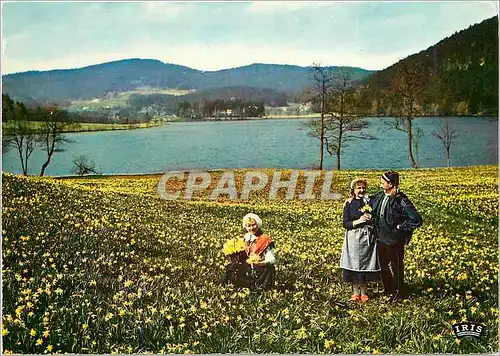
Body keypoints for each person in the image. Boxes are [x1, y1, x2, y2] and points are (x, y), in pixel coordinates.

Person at [371, 171, 423, 301]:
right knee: (382, 265)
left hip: (394, 239)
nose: (381, 183)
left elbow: (417, 219)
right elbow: (367, 202)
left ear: (391, 184)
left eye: (383, 181)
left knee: (396, 266)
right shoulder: (380, 195)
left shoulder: (401, 200)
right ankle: (389, 289)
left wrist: (400, 227)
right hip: (381, 237)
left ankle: (399, 293)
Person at [340, 178, 380, 302]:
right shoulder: (349, 203)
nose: (361, 190)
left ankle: (363, 293)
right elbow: (345, 223)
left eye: (363, 188)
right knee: (353, 264)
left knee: (365, 264)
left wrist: (370, 219)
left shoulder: (368, 201)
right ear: (353, 190)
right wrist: (358, 221)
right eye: (359, 188)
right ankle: (355, 293)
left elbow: (376, 217)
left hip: (366, 237)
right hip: (353, 238)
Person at [220, 213, 276, 290]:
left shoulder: (265, 239)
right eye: (248, 226)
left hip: (260, 267)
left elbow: (271, 259)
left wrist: (260, 263)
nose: (251, 228)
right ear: (245, 227)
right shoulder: (245, 238)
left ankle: (260, 288)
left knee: (268, 268)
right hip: (247, 265)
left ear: (258, 224)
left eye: (253, 225)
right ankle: (228, 285)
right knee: (231, 266)